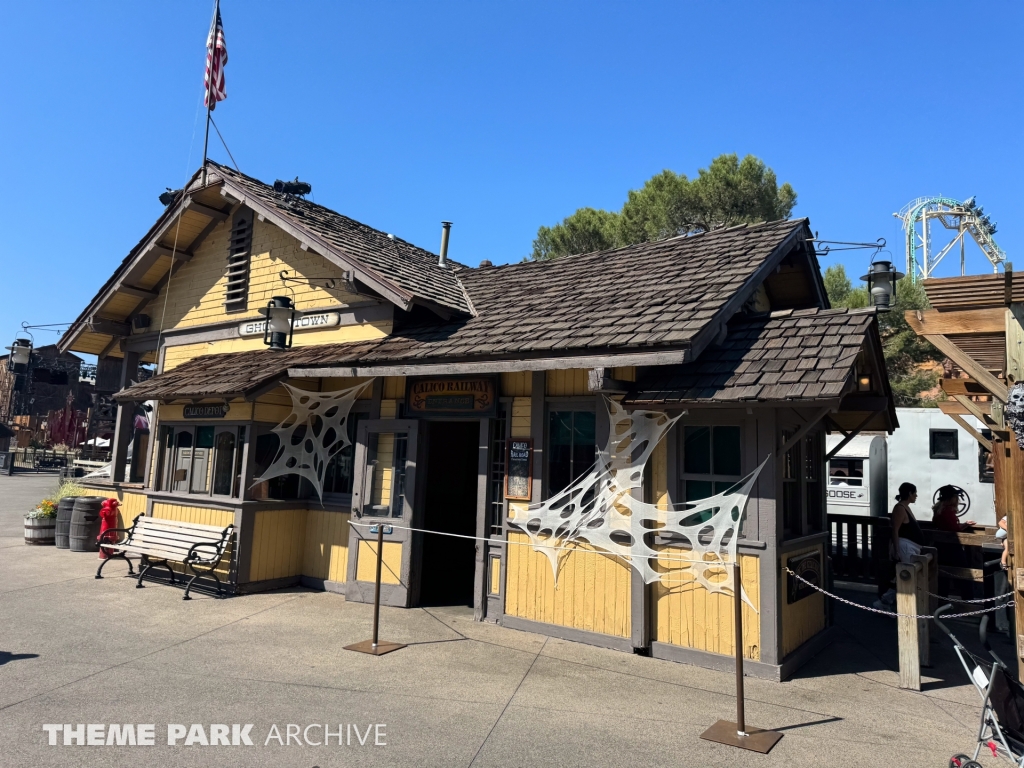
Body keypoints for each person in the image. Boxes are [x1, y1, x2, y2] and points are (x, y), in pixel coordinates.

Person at [875, 483, 926, 610]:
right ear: (909, 493)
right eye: (915, 493)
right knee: (906, 576)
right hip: (905, 546)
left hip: (911, 547)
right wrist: (896, 550)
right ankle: (887, 601)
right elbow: (895, 530)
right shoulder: (900, 508)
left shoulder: (905, 507)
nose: (916, 496)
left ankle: (890, 602)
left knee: (906, 576)